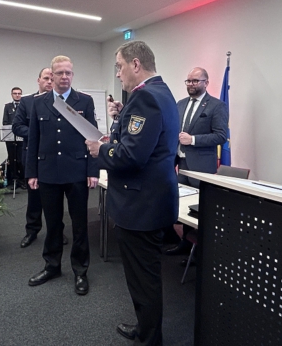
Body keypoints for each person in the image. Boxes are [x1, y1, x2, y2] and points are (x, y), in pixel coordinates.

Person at [86, 40, 179, 345]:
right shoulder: (161, 92)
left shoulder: (145, 98)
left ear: (136, 64)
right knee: (143, 278)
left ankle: (151, 338)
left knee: (144, 280)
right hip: (152, 200)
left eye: (120, 66)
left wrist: (100, 150)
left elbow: (131, 156)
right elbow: (143, 141)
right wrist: (120, 117)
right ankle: (145, 328)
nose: (118, 73)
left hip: (140, 205)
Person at [25, 56, 99, 295]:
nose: (64, 77)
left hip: (76, 171)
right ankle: (52, 266)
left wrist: (93, 170)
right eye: (60, 73)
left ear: (72, 75)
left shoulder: (84, 101)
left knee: (79, 224)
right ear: (52, 76)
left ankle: (80, 270)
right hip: (48, 172)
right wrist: (32, 172)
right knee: (53, 223)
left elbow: (92, 137)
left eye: (68, 73)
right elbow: (34, 139)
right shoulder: (39, 102)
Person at [165, 67, 228, 260]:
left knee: (199, 209)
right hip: (181, 163)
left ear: (206, 83)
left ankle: (201, 253)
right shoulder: (180, 104)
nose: (191, 84)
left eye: (195, 81)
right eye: (188, 81)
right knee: (183, 206)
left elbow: (221, 136)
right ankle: (185, 243)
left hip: (202, 167)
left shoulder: (216, 106)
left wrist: (192, 140)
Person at [12, 68, 68, 248]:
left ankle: (57, 231)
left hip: (55, 157)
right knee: (34, 197)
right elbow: (17, 126)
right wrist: (37, 133)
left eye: (52, 78)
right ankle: (32, 230)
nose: (49, 82)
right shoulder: (27, 101)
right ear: (38, 80)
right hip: (34, 156)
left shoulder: (61, 102)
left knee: (56, 198)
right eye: (46, 78)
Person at [3, 87, 24, 188]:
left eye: (19, 93)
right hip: (10, 137)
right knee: (12, 158)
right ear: (12, 95)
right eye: (15, 93)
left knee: (21, 159)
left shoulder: (24, 105)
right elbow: (5, 121)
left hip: (22, 137)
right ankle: (14, 180)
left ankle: (22, 180)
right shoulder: (7, 106)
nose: (17, 95)